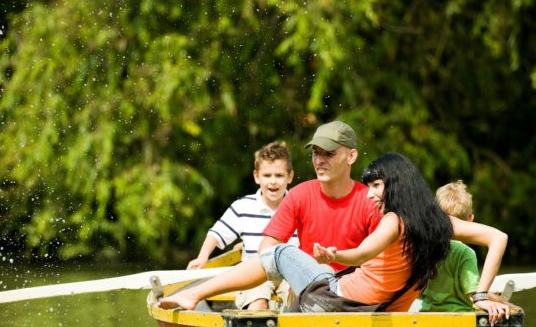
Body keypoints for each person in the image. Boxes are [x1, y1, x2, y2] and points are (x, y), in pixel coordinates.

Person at [157, 120, 384, 310]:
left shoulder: (371, 201)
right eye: (316, 153)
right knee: (267, 277)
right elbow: (268, 251)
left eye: (329, 154)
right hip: (305, 285)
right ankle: (220, 305)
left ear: (351, 156)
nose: (319, 160)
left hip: (349, 293)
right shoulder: (299, 195)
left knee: (319, 272)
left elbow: (381, 264)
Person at [185, 141, 299, 310]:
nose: (273, 182)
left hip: (289, 274)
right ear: (256, 176)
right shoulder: (243, 206)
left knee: (298, 302)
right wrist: (202, 257)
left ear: (290, 176)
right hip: (253, 274)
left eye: (279, 175)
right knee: (257, 303)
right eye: (267, 176)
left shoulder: (298, 204)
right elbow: (217, 233)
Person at [419, 180, 514, 322]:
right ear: (470, 219)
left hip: (426, 316)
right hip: (460, 318)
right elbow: (473, 295)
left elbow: (419, 292)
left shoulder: (424, 249)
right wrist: (506, 304)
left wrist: (496, 298)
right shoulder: (465, 253)